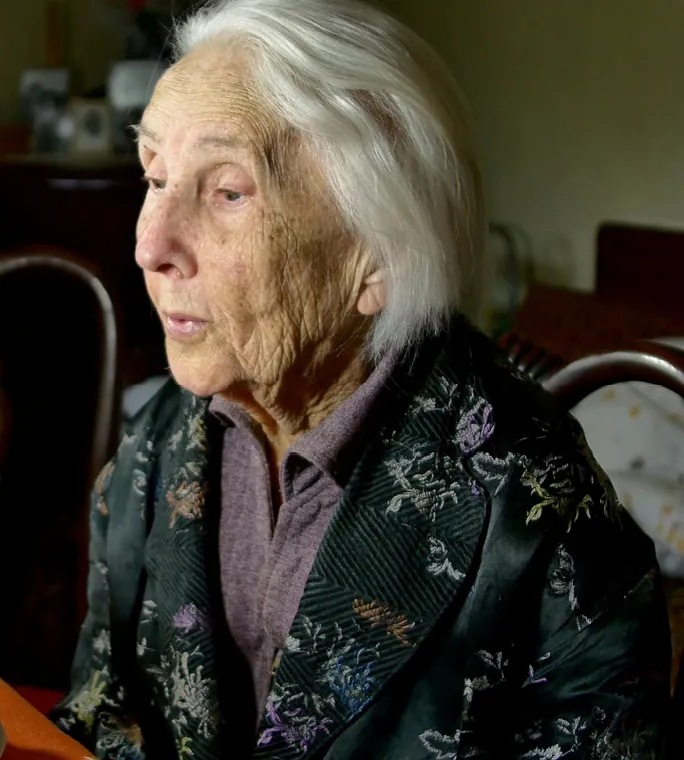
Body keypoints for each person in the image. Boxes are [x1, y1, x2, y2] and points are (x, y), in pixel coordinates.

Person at [49, 0, 672, 757]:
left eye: (227, 191)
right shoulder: (151, 456)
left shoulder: (539, 510)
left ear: (378, 256)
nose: (151, 244)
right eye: (154, 176)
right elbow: (97, 721)